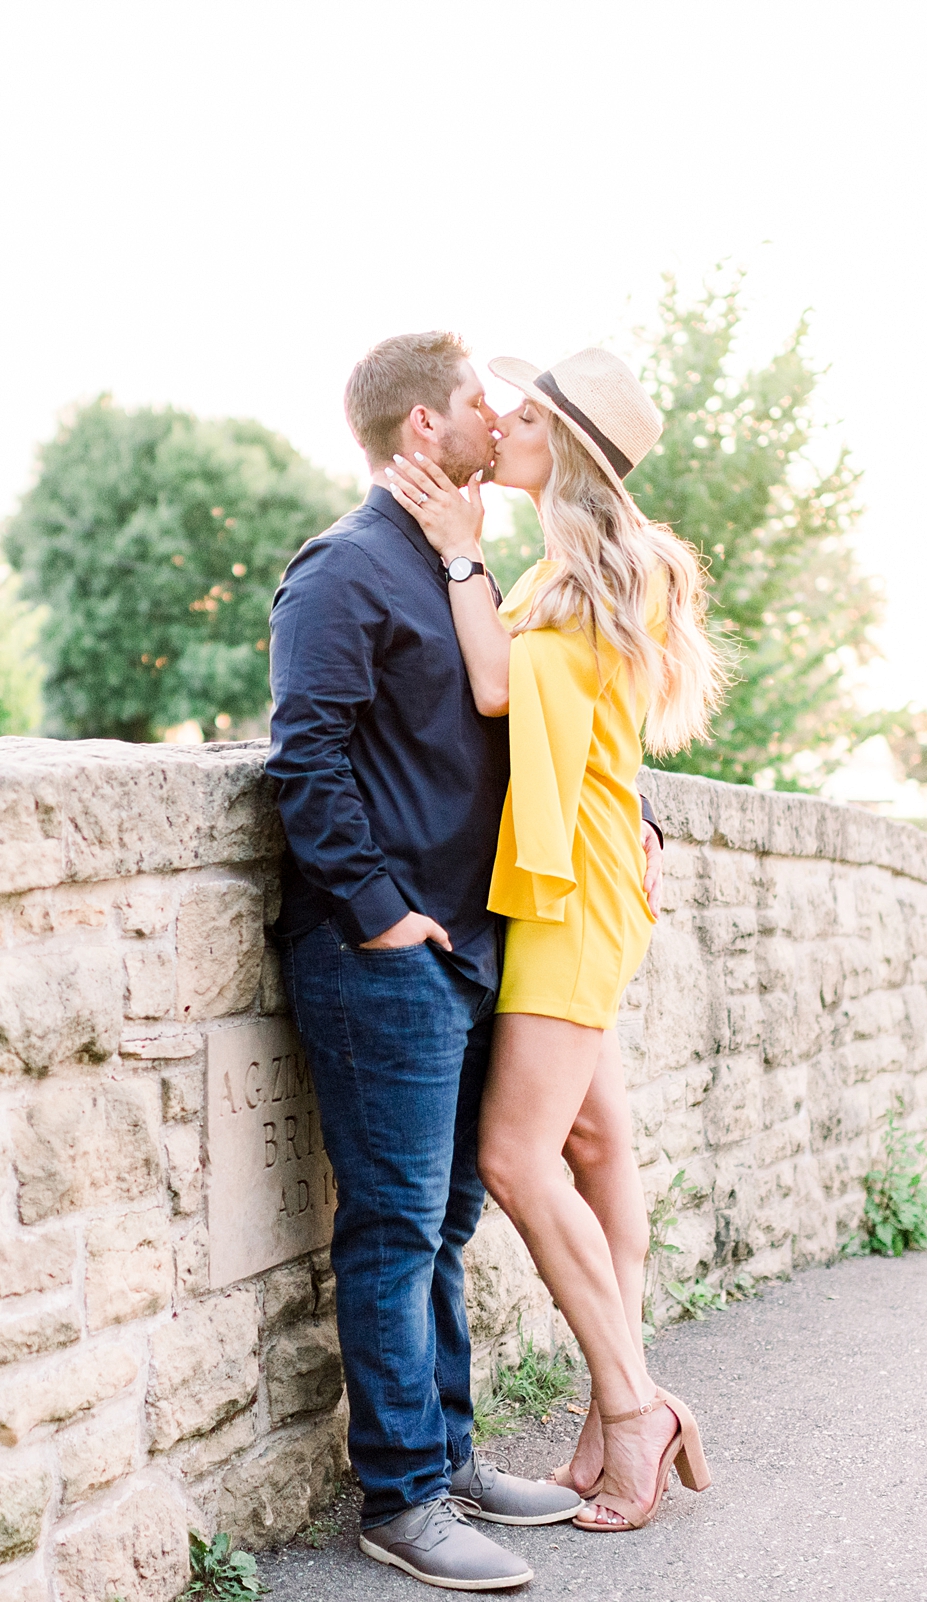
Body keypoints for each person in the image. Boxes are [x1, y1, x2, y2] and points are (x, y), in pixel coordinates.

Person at [269, 333, 666, 1590]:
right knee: (392, 1228)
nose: (497, 420)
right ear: (420, 434)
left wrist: (636, 812)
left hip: (478, 944)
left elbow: (543, 721)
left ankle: (447, 1460)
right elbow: (306, 761)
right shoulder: (343, 573)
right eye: (476, 407)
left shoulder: (468, 569)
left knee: (443, 1222)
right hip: (387, 956)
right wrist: (381, 913)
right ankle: (402, 1501)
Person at [382, 345, 726, 1534]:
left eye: (525, 415)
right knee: (593, 1146)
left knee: (521, 1161)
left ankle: (635, 1411)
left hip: (571, 895)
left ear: (562, 449)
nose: (504, 421)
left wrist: (456, 549)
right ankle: (605, 1415)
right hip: (580, 880)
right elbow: (598, 743)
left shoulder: (577, 572)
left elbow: (494, 690)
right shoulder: (582, 562)